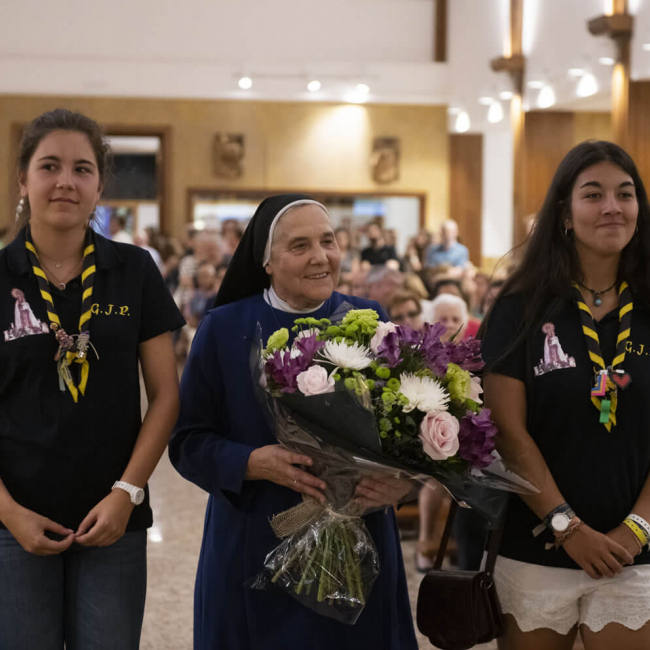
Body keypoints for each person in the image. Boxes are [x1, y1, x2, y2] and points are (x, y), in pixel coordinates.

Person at [169, 194, 418, 650]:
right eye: (300, 245)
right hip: (256, 538)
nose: (320, 256)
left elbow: (407, 432)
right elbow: (187, 441)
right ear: (266, 261)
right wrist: (250, 462)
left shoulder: (371, 320)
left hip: (362, 540)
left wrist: (401, 482)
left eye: (328, 241)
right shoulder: (224, 328)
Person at [0, 108, 184, 649]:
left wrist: (127, 493)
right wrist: (9, 513)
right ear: (23, 180)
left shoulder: (134, 270)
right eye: (49, 166)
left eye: (82, 169)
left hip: (113, 520)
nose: (65, 181)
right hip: (13, 519)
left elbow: (165, 396)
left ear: (99, 186)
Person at [481, 141, 650, 650]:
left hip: (634, 552)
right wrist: (567, 527)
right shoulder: (520, 308)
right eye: (593, 194)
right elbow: (507, 433)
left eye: (625, 194)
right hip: (536, 547)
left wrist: (637, 529)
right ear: (565, 215)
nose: (612, 207)